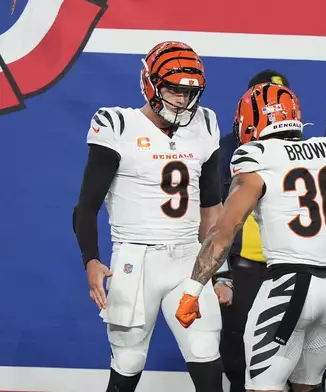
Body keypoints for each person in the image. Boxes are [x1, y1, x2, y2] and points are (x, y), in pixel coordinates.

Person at [175, 82, 326, 392]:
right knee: (308, 386)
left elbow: (223, 231)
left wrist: (192, 289)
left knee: (263, 386)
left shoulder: (256, 155)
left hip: (289, 287)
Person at [72, 41, 230, 392]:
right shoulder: (118, 125)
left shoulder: (205, 124)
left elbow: (211, 208)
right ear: (152, 84)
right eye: (174, 89)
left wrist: (222, 272)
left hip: (189, 260)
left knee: (205, 354)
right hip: (135, 260)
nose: (181, 99)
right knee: (128, 361)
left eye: (189, 92)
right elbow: (86, 205)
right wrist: (91, 260)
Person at [215, 69, 296, 392]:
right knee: (239, 358)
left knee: (297, 358)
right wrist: (221, 274)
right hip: (244, 269)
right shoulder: (225, 149)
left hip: (289, 268)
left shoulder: (303, 150)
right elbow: (213, 213)